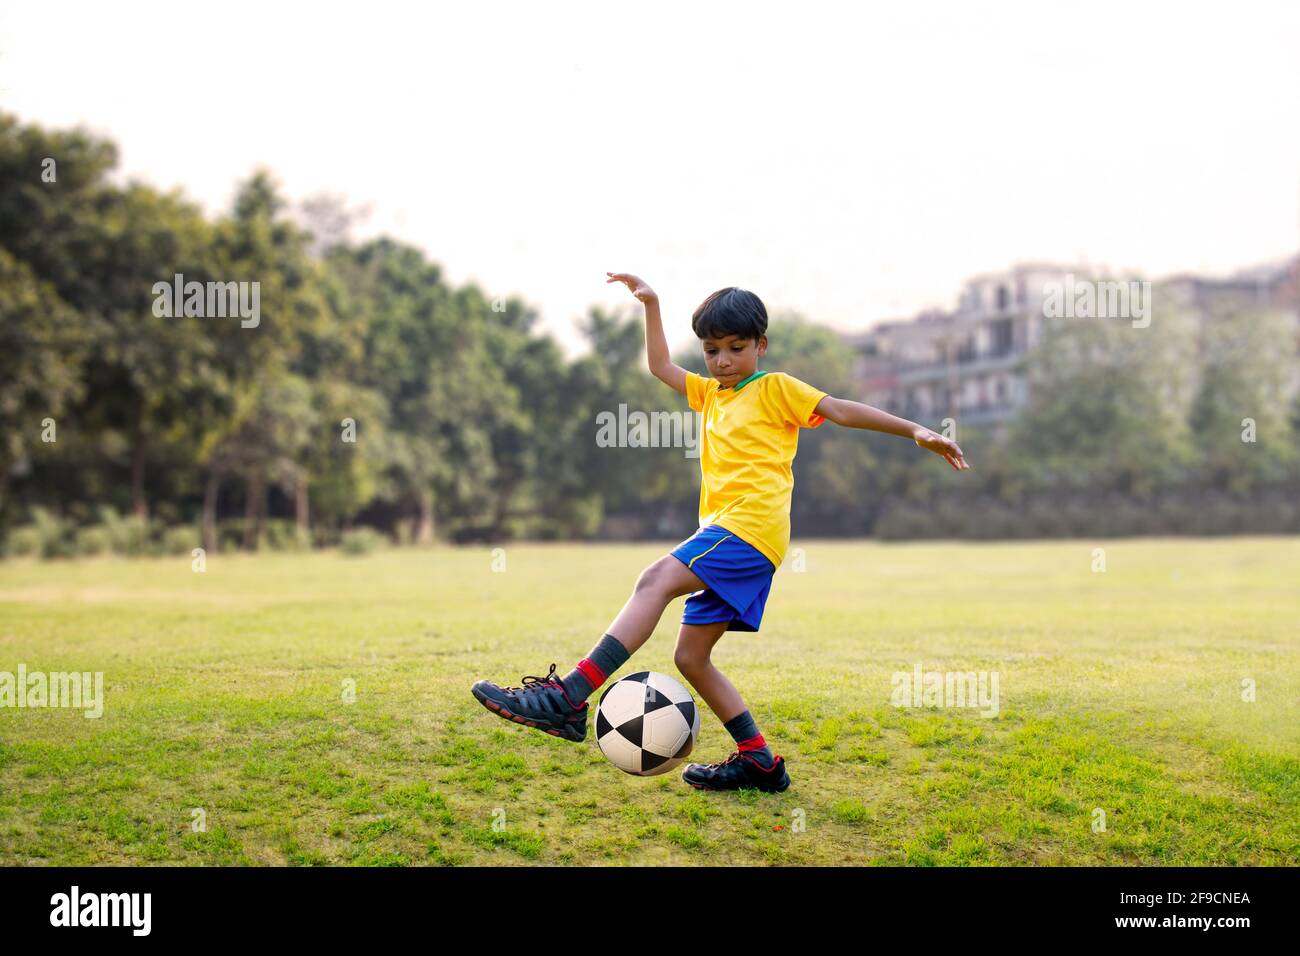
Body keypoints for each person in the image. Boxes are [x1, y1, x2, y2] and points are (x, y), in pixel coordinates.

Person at [470, 273, 969, 791]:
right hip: (730, 533)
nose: (724, 360)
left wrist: (916, 430)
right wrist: (652, 304)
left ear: (761, 346)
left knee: (655, 579)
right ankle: (759, 762)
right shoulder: (709, 395)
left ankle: (569, 697)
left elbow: (840, 410)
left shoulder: (776, 388)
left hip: (750, 527)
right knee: (690, 657)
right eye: (712, 350)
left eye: (736, 347)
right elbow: (660, 365)